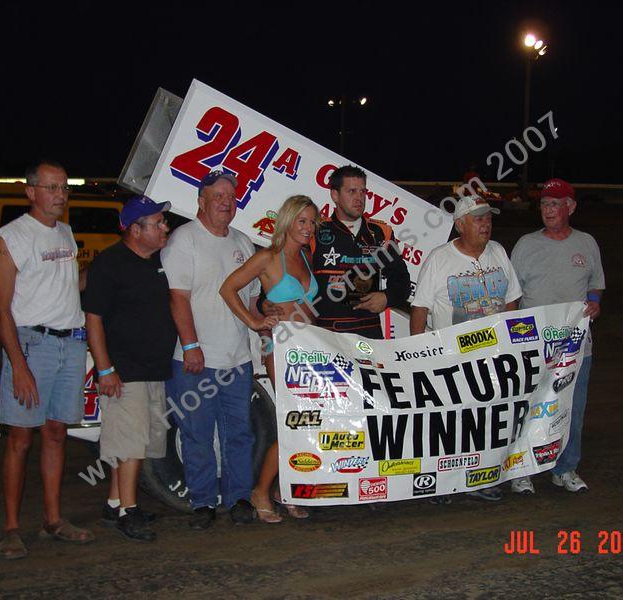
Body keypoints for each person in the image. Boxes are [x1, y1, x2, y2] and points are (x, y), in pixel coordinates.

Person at [0, 159, 93, 559]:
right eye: (51, 188)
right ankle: (12, 527)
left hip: (71, 344)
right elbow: (1, 310)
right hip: (31, 346)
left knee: (55, 433)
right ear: (29, 191)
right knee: (20, 438)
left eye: (64, 188)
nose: (60, 196)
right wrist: (19, 365)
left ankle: (53, 519)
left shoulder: (66, 232)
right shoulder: (10, 238)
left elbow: (68, 286)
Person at [161, 170, 264, 530]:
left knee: (239, 432)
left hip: (238, 359)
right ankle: (203, 501)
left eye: (230, 196)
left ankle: (238, 497)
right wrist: (191, 346)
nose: (225, 201)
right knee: (197, 433)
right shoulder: (184, 239)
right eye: (217, 195)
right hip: (195, 361)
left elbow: (252, 301)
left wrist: (264, 330)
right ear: (200, 201)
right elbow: (178, 298)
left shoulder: (243, 242)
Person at [410, 194, 522, 502]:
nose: (486, 224)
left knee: (486, 419)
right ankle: (439, 484)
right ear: (460, 225)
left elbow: (512, 296)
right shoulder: (440, 258)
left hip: (491, 357)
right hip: (451, 358)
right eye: (478, 219)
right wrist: (421, 353)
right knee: (447, 421)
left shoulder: (498, 251)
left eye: (488, 218)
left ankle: (483, 478)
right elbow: (420, 309)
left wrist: (508, 338)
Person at [82, 195, 176, 541]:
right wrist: (105, 370)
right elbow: (94, 319)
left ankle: (114, 503)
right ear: (136, 230)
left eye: (164, 221)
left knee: (140, 441)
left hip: (153, 368)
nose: (165, 227)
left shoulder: (156, 261)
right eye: (158, 223)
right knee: (130, 445)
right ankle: (128, 512)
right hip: (125, 371)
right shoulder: (110, 264)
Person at [220, 195, 318, 523]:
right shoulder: (268, 257)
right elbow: (229, 288)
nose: (308, 227)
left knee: (306, 423)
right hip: (282, 349)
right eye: (302, 220)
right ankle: (261, 490)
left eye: (312, 221)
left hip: (310, 348)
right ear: (288, 221)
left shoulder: (305, 256)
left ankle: (283, 489)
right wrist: (256, 321)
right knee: (291, 422)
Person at [509, 178, 605, 495]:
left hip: (576, 348)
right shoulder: (525, 245)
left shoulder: (587, 243)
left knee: (571, 409)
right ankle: (521, 470)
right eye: (544, 204)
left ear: (571, 207)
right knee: (528, 408)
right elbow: (511, 295)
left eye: (555, 203)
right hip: (534, 347)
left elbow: (596, 284)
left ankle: (565, 468)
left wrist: (595, 303)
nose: (548, 210)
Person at [307, 164, 410, 338]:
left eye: (363, 192)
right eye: (352, 191)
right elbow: (289, 266)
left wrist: (386, 297)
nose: (359, 198)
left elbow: (402, 282)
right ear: (335, 195)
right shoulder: (314, 230)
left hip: (369, 333)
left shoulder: (381, 233)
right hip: (326, 335)